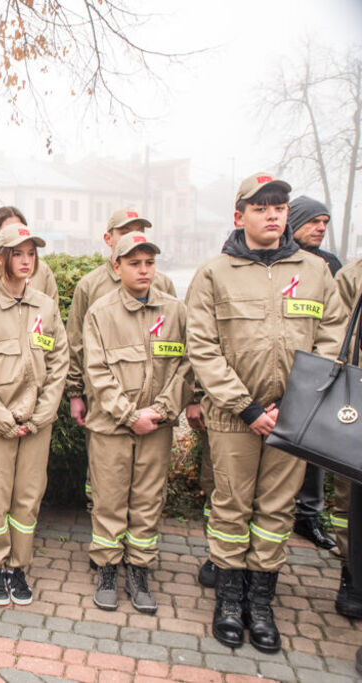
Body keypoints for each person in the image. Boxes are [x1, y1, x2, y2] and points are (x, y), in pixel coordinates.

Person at [186, 173, 344, 653]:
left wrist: (299, 403)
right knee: (232, 507)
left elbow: (331, 336)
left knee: (275, 511)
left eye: (279, 205)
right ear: (240, 217)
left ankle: (261, 601)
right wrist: (247, 405)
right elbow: (203, 347)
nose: (273, 213)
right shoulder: (214, 273)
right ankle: (229, 601)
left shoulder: (316, 271)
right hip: (236, 416)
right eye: (261, 206)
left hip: (293, 419)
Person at [82, 233, 192, 613]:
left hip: (156, 429)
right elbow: (96, 372)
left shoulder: (175, 311)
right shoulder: (100, 312)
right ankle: (108, 568)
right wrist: (130, 415)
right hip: (112, 428)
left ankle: (139, 569)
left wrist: (158, 412)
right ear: (117, 267)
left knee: (147, 501)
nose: (143, 270)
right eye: (133, 263)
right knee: (109, 500)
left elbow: (185, 368)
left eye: (149, 263)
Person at [0, 225, 68, 606]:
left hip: (37, 425)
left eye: (31, 254)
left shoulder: (46, 306)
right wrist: (2, 418)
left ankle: (17, 568)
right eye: (18, 254)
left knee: (27, 499)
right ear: (0, 259)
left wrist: (41, 415)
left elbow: (59, 363)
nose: (27, 261)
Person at [66, 209, 175, 429]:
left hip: (154, 407)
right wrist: (75, 393)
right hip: (104, 406)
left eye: (139, 231)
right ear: (108, 238)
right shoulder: (90, 286)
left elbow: (176, 344)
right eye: (125, 232)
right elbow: (76, 342)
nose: (133, 236)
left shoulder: (162, 285)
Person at [286, 196, 341, 551]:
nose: (320, 228)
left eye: (325, 222)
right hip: (271, 381)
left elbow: (336, 324)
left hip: (314, 379)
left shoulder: (330, 266)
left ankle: (308, 516)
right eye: (313, 222)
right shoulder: (272, 262)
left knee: (311, 452)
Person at [332, 235, 362, 619]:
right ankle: (352, 572)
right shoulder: (352, 278)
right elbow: (338, 337)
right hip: (357, 397)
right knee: (352, 495)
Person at [0, 207, 59, 301]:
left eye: (19, 230)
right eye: (8, 231)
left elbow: (52, 311)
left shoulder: (42, 270)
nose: (15, 237)